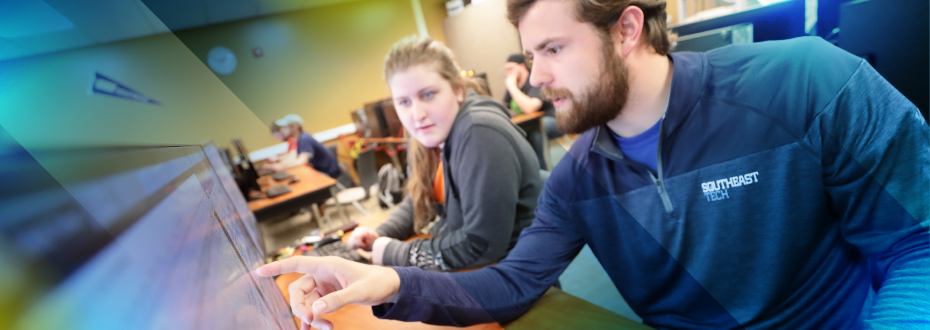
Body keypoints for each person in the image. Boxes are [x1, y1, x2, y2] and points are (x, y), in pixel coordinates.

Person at [257, 0, 930, 329]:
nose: (534, 76)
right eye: (530, 54)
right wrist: (385, 282)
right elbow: (510, 283)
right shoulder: (579, 176)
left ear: (626, 30)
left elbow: (916, 245)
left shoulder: (807, 81)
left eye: (553, 49)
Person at [345, 36, 542, 273]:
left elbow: (481, 245)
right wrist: (380, 234)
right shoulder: (432, 136)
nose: (417, 114)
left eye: (428, 95)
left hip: (511, 277)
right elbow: (419, 200)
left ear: (457, 90)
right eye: (404, 102)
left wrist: (392, 253)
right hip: (474, 271)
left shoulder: (480, 132)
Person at [503, 53, 562, 169]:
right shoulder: (514, 86)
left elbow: (531, 108)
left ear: (522, 67)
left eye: (511, 69)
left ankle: (543, 169)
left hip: (553, 120)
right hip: (531, 124)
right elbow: (503, 108)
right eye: (506, 70)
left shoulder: (533, 81)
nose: (508, 73)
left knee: (535, 129)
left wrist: (512, 88)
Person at [263, 114, 341, 179]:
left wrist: (280, 166)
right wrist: (278, 161)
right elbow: (293, 155)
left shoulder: (304, 139)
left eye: (286, 127)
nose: (283, 130)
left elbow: (302, 161)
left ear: (295, 127)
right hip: (320, 171)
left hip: (328, 174)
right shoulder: (298, 139)